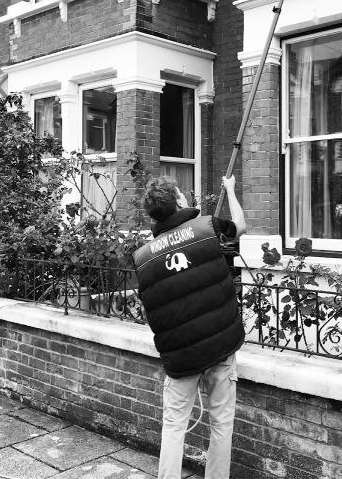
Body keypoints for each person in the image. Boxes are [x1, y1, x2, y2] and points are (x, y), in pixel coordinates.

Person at [133, 175, 246, 479]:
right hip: (219, 348)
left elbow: (151, 311)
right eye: (181, 194)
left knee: (173, 426)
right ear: (179, 202)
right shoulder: (208, 228)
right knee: (221, 421)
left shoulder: (143, 259)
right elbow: (241, 226)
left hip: (181, 358)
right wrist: (231, 191)